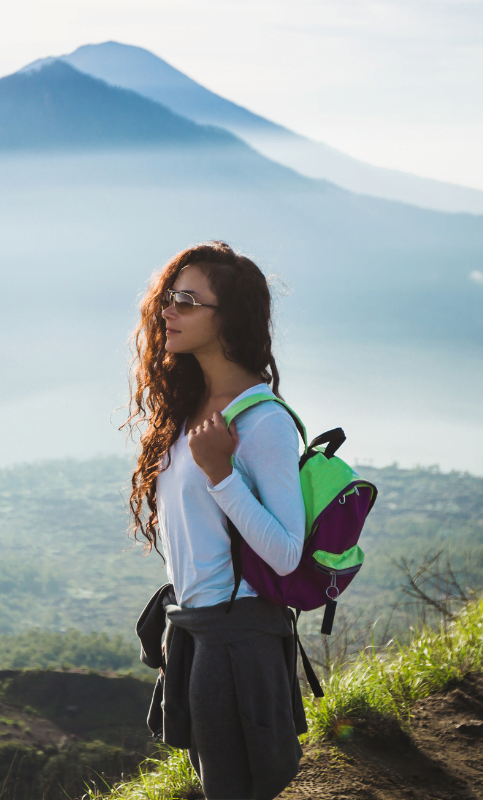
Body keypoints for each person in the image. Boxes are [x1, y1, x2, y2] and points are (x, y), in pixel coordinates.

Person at [127, 241, 305, 800]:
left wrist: (222, 476)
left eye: (187, 300)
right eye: (168, 298)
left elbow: (286, 553)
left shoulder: (263, 421)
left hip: (238, 631)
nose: (168, 312)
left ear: (227, 317)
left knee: (235, 789)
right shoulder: (190, 406)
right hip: (199, 624)